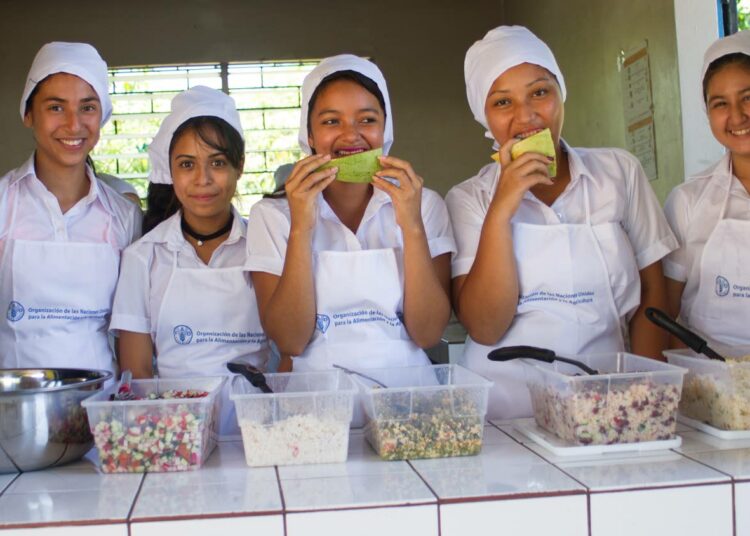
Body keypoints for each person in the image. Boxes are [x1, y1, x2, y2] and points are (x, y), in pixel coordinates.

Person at [446, 26, 678, 419]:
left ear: (561, 93)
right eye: (503, 102)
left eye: (540, 92)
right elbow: (485, 326)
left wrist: (642, 393)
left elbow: (655, 294)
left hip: (608, 398)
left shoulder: (619, 172)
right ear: (484, 117)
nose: (527, 116)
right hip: (506, 411)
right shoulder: (469, 198)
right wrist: (502, 206)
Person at [245, 55, 455, 380]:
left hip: (407, 402)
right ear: (310, 136)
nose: (351, 135)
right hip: (315, 405)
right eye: (331, 122)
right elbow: (290, 340)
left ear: (385, 129)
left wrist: (411, 225)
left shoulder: (425, 205)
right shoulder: (273, 216)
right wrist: (301, 226)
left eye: (367, 120)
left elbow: (427, 334)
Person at [110, 86, 271, 435]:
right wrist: (167, 437)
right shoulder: (144, 257)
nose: (203, 180)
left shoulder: (264, 246)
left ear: (239, 166)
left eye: (217, 163)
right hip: (175, 428)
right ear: (170, 170)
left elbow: (290, 346)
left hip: (257, 427)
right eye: (187, 164)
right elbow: (136, 373)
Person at [0, 42, 141, 372]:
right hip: (12, 408)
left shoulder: (124, 216)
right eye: (56, 107)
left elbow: (130, 334)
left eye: (87, 108)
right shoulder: (4, 203)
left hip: (100, 408)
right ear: (28, 114)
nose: (74, 125)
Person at [664, 30, 750, 347]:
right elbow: (664, 313)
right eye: (720, 103)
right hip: (709, 385)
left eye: (748, 96)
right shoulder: (687, 202)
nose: (738, 115)